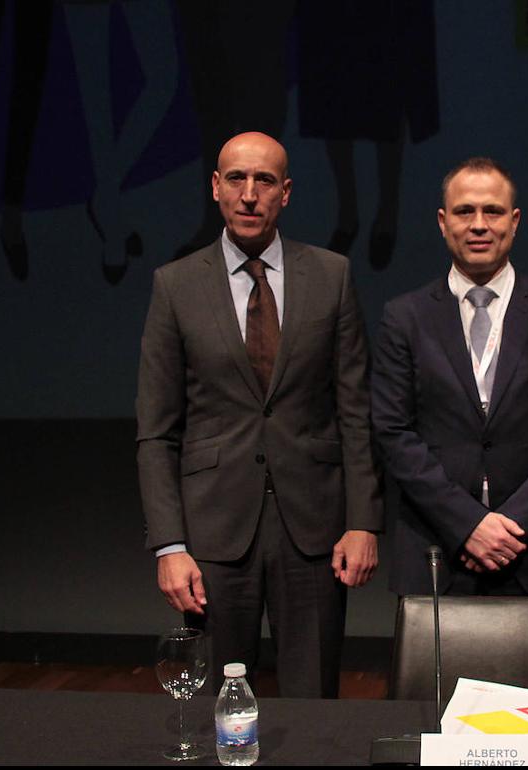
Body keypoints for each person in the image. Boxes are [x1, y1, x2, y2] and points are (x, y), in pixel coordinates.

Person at [136, 132, 382, 696]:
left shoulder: (331, 275)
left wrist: (363, 519)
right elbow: (156, 432)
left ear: (286, 192)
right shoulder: (175, 286)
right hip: (213, 532)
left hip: (314, 528)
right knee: (215, 702)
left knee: (316, 700)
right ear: (216, 187)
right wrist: (170, 546)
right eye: (237, 179)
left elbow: (354, 410)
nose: (250, 194)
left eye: (265, 180)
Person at [372, 157, 528, 596]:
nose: (479, 224)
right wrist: (468, 523)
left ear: (514, 222)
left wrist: (509, 527)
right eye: (464, 211)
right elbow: (392, 432)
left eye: (492, 211)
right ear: (443, 222)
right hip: (438, 553)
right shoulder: (404, 317)